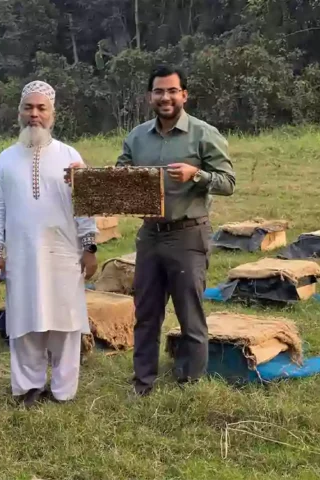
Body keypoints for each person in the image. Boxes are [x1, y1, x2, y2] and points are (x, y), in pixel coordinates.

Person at [70, 65, 235, 396]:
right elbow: (119, 178)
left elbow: (228, 182)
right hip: (150, 235)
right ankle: (143, 382)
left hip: (189, 233)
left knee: (190, 315)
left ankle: (190, 383)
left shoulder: (204, 134)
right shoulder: (137, 136)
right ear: (150, 97)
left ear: (184, 95)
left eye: (173, 91)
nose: (166, 97)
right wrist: (85, 178)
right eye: (159, 91)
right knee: (146, 313)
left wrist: (197, 175)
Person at [0, 80, 99, 407]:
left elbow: (85, 205)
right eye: (28, 107)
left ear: (52, 114)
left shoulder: (70, 156)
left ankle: (64, 391)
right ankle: (28, 388)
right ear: (19, 112)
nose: (34, 115)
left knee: (65, 324)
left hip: (64, 254)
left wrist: (89, 248)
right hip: (21, 255)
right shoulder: (6, 159)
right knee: (24, 322)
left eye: (41, 108)